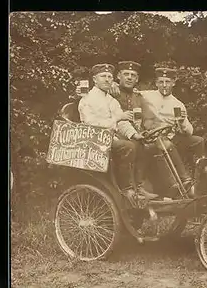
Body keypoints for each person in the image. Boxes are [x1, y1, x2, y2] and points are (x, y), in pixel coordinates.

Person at [78, 63, 151, 206]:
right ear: (95, 79)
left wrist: (134, 135)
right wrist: (117, 119)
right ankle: (126, 188)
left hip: (110, 138)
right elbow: (92, 125)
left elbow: (122, 122)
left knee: (139, 144)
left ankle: (139, 186)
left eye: (109, 77)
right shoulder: (87, 99)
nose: (107, 80)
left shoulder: (111, 100)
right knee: (127, 147)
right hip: (93, 140)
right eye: (103, 76)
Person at [113, 61, 189, 198]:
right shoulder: (112, 93)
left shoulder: (138, 97)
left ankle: (179, 184)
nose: (129, 78)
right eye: (126, 74)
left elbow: (148, 118)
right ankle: (138, 187)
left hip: (136, 134)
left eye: (133, 75)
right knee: (141, 146)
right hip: (118, 135)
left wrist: (153, 130)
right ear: (118, 76)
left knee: (162, 143)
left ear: (137, 79)